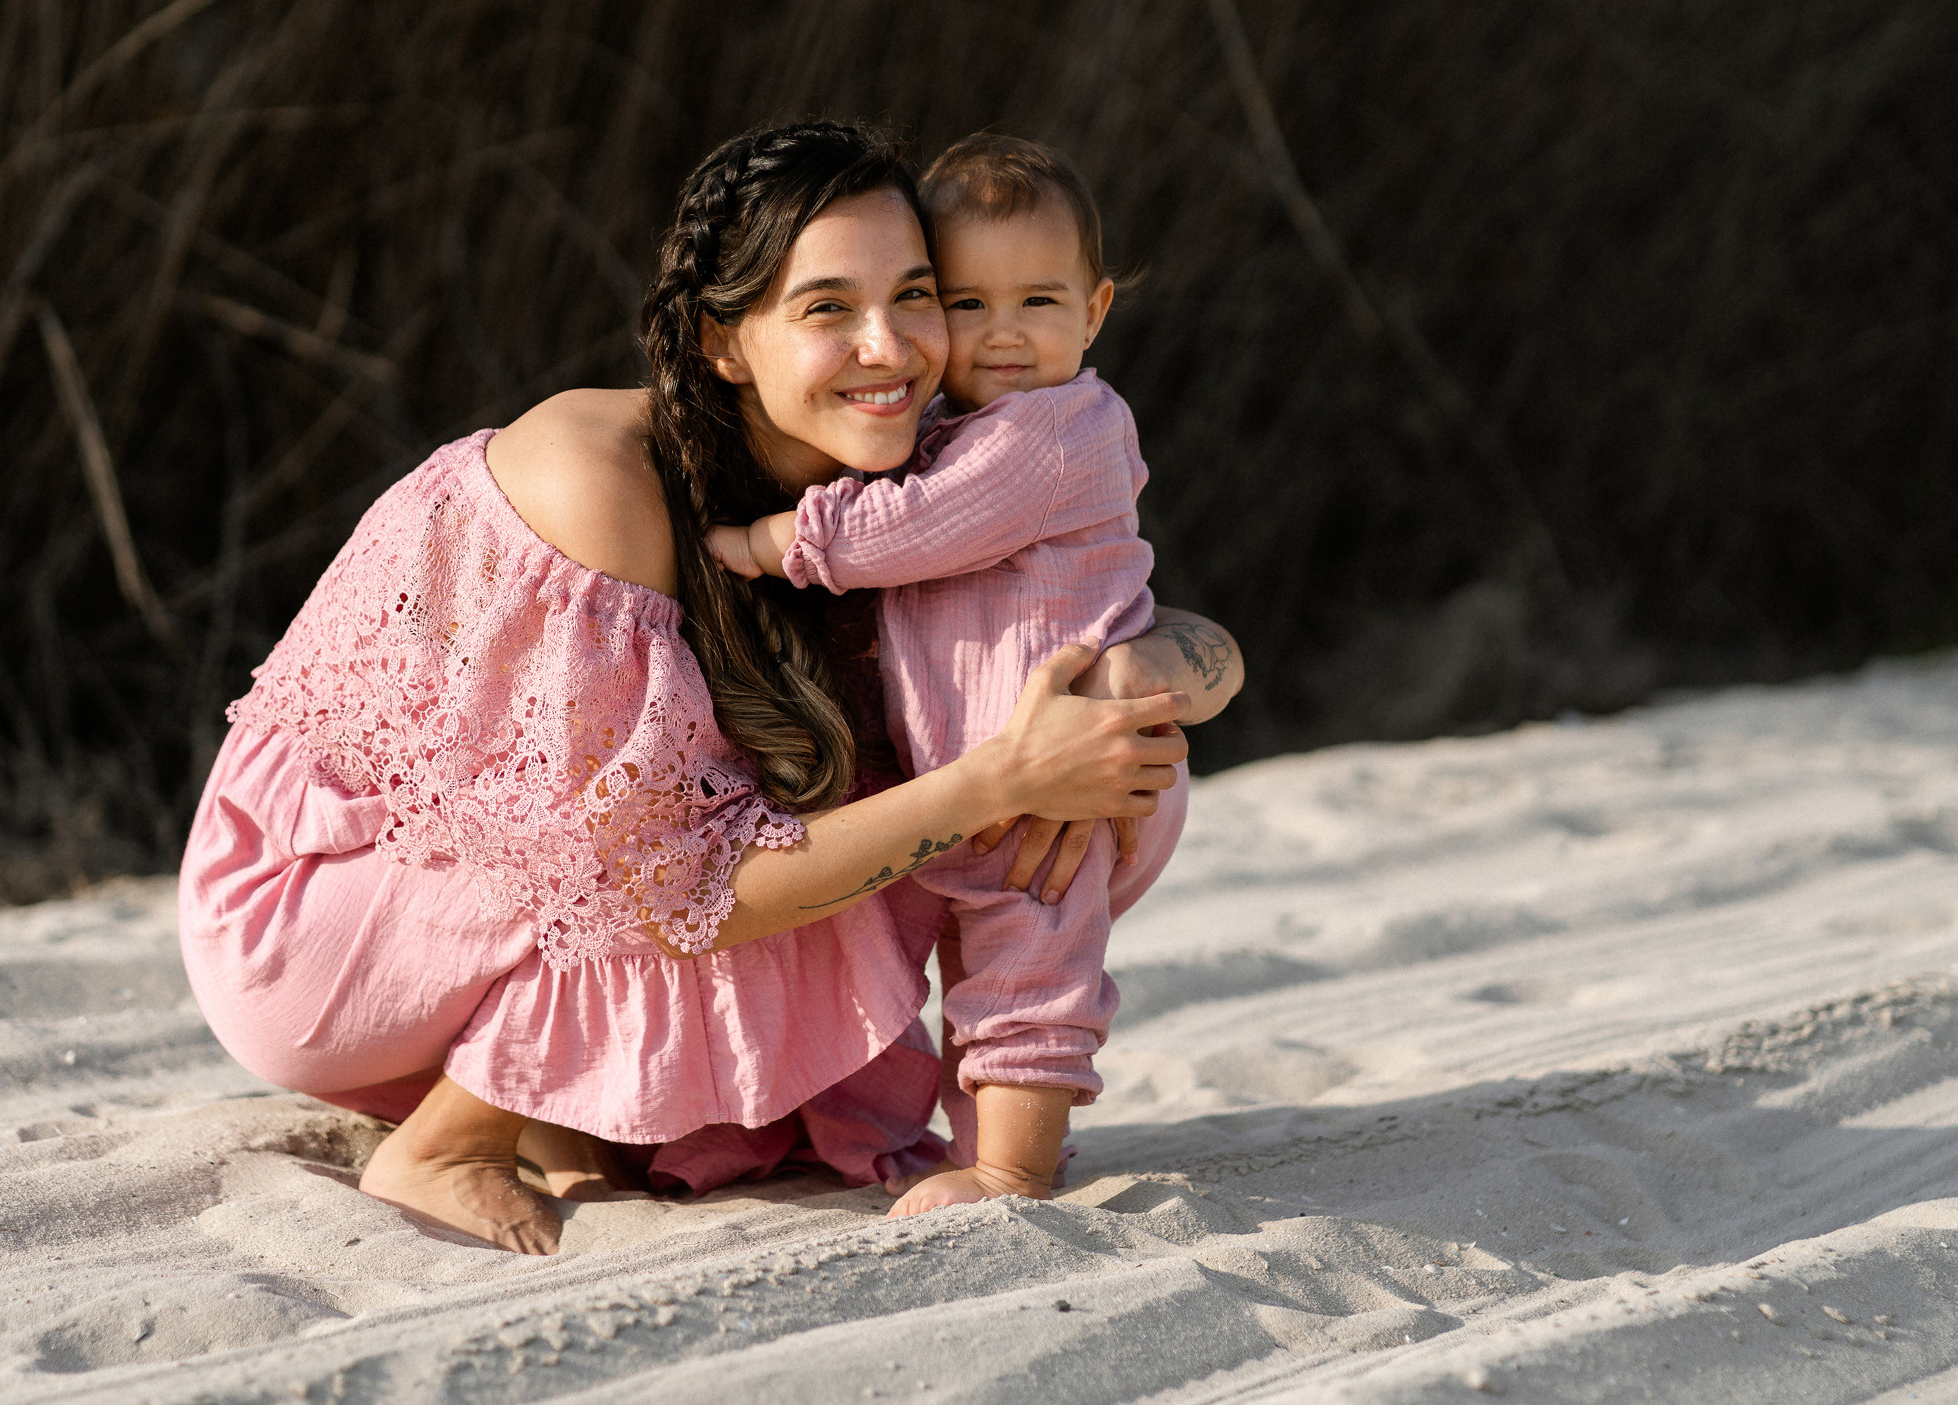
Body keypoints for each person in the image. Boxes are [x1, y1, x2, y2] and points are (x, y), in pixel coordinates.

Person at [178, 121, 1240, 1255]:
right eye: (826, 308)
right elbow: (667, 885)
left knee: (1105, 776)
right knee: (922, 806)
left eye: (918, 295)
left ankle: (566, 1105)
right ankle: (453, 1142)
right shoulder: (601, 478)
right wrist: (996, 780)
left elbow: (1139, 617)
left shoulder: (909, 448)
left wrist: (1131, 682)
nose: (889, 346)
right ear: (725, 343)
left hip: (535, 893)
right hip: (319, 919)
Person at [707, 133, 1210, 1213]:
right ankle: (906, 1139)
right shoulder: (948, 423)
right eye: (968, 304)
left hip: (1078, 773)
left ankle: (1011, 1168)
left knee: (1027, 967)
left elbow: (919, 528)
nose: (1004, 335)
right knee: (930, 964)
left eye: (1038, 301)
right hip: (983, 774)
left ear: (1097, 308)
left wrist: (769, 544)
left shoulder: (1061, 428)